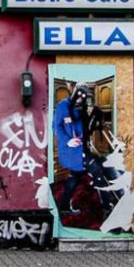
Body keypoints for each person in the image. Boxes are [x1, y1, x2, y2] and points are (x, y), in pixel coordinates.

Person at [52, 85, 87, 214]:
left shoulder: (81, 107)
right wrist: (68, 141)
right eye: (78, 98)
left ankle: (65, 204)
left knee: (79, 175)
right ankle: (65, 205)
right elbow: (56, 127)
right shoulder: (62, 106)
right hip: (69, 149)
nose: (79, 101)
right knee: (75, 175)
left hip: (81, 147)